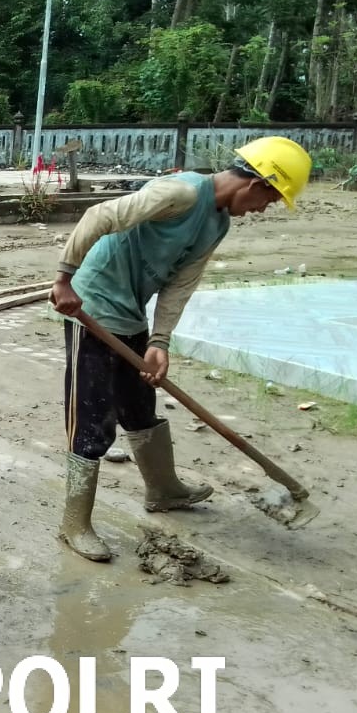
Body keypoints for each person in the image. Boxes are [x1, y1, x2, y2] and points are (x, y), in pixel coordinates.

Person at [50, 136, 312, 562]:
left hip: (130, 312)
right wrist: (64, 278)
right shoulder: (182, 193)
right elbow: (100, 215)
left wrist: (159, 340)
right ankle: (74, 524)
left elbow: (179, 285)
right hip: (92, 305)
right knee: (92, 417)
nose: (264, 209)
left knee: (139, 405)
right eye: (270, 199)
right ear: (257, 184)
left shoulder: (218, 223)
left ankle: (164, 490)